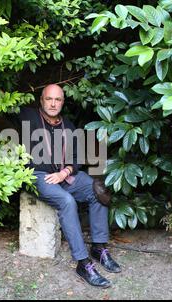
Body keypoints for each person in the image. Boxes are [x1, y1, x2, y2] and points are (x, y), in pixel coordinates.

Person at [18, 84, 121, 288]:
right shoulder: (28, 116)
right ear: (41, 100)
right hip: (38, 176)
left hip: (63, 176)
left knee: (97, 189)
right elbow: (1, 98)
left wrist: (64, 172)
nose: (53, 103)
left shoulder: (69, 126)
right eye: (49, 99)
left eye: (58, 99)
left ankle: (98, 247)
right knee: (66, 201)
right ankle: (83, 263)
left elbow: (77, 159)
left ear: (63, 102)